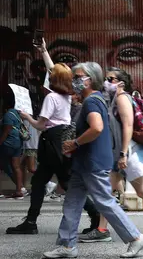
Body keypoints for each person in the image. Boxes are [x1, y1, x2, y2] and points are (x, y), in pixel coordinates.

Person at [42, 62, 143, 259]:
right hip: (85, 162)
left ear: (91, 79)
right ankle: (67, 244)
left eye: (79, 77)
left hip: (92, 162)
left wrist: (75, 143)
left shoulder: (92, 101)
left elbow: (97, 127)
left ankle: (135, 237)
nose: (75, 81)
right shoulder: (94, 99)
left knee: (104, 201)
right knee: (72, 203)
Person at [79, 67, 143, 243]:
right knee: (107, 191)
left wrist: (123, 154)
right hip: (123, 152)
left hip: (130, 152)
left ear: (121, 83)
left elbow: (128, 126)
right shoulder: (114, 100)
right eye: (106, 78)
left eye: (111, 79)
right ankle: (102, 229)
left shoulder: (122, 99)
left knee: (142, 190)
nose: (107, 82)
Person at [7, 63, 101, 235]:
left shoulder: (51, 98)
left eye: (50, 78)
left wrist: (27, 116)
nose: (48, 80)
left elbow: (41, 125)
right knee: (39, 182)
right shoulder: (66, 97)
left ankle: (95, 214)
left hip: (51, 140)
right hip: (59, 140)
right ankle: (30, 221)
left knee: (65, 182)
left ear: (55, 80)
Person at [0, 89, 25, 199]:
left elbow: (6, 131)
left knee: (5, 164)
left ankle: (19, 187)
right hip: (18, 143)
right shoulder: (17, 113)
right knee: (16, 166)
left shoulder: (8, 115)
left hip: (8, 143)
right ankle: (19, 190)